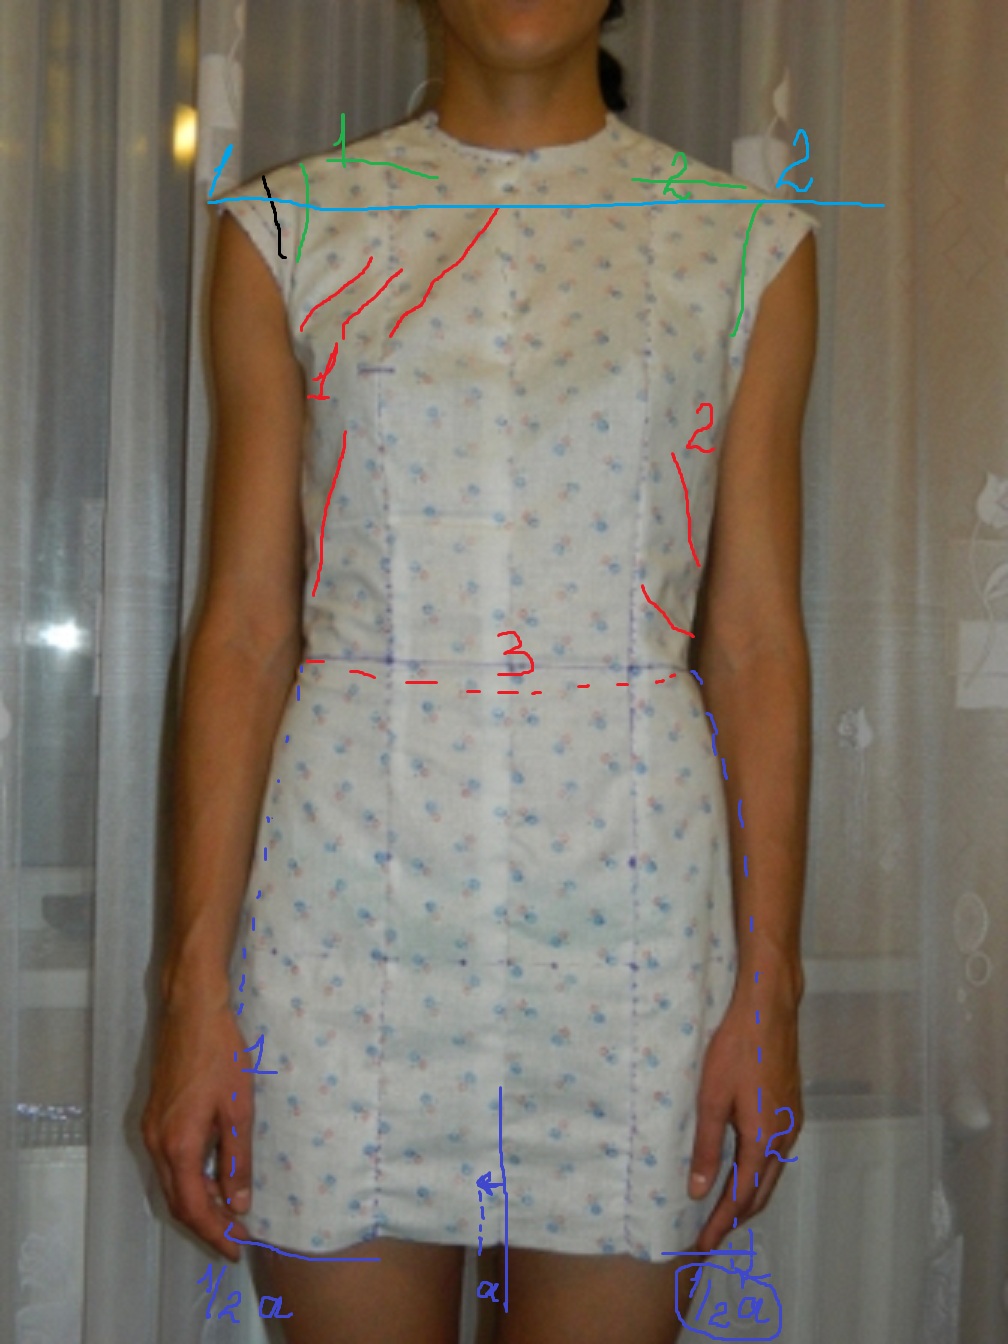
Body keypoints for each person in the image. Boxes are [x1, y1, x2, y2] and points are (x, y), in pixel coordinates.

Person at [142, 1, 817, 1340]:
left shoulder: (747, 245)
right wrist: (194, 990)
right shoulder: (288, 229)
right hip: (343, 926)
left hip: (630, 934)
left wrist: (770, 988)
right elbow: (246, 630)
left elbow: (752, 640)